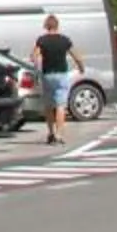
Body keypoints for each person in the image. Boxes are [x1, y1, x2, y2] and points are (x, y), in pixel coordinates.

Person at [32, 14, 78, 146]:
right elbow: (76, 55)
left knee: (48, 106)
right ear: (57, 25)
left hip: (47, 75)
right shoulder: (64, 40)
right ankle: (59, 135)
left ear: (46, 26)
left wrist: (37, 69)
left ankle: (51, 133)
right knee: (60, 106)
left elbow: (34, 56)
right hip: (61, 75)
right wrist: (81, 67)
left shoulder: (41, 40)